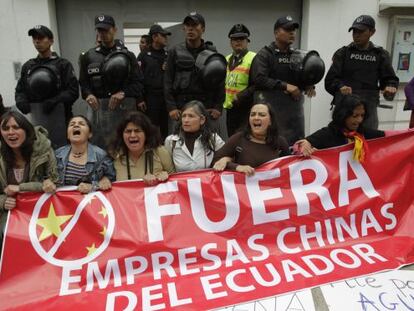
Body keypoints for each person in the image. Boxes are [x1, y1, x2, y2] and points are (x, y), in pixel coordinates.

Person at [78, 14, 144, 148]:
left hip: (123, 111)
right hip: (98, 114)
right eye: (100, 30)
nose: (103, 34)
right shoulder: (88, 56)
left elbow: (139, 84)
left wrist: (124, 93)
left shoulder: (128, 56)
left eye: (106, 30)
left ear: (114, 30)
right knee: (99, 148)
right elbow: (83, 83)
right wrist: (88, 94)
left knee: (124, 148)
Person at [250, 16, 317, 145]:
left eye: (293, 30)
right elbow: (259, 79)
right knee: (271, 146)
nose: (292, 33)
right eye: (287, 29)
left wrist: (309, 84)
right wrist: (286, 86)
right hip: (271, 113)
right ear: (276, 33)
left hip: (293, 116)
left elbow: (301, 78)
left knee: (294, 148)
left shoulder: (297, 55)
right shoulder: (265, 54)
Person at [325, 14, 399, 129]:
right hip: (345, 110)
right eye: (354, 31)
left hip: (368, 111)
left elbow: (389, 79)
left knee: (369, 142)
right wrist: (340, 87)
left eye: (361, 31)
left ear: (372, 32)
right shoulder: (343, 53)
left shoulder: (380, 54)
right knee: (341, 141)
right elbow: (329, 81)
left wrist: (390, 87)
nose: (356, 35)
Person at [0, 111, 58, 251]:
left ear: (26, 130)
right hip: (8, 219)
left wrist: (21, 188)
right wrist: (2, 201)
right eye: (5, 128)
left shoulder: (44, 149)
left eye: (16, 127)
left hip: (40, 215)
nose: (11, 132)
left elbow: (56, 182)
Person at [15, 25, 79, 148]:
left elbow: (73, 91)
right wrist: (21, 101)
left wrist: (55, 101)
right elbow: (20, 90)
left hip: (61, 120)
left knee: (62, 156)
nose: (37, 41)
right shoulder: (28, 66)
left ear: (51, 41)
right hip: (35, 120)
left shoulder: (63, 65)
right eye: (34, 38)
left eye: (40, 38)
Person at [164, 12, 226, 134]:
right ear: (184, 28)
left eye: (195, 25)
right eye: (187, 25)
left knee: (208, 145)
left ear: (203, 29)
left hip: (206, 107)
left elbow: (220, 81)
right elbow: (167, 81)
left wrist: (218, 106)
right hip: (181, 108)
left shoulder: (211, 52)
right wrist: (171, 107)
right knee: (179, 146)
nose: (190, 28)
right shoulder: (174, 52)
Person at [295, 95, 385, 159]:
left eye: (362, 115)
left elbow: (389, 137)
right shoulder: (328, 134)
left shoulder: (363, 132)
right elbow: (299, 146)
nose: (359, 120)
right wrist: (304, 145)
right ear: (343, 115)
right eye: (355, 116)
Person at [213, 102, 289, 176]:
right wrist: (236, 166)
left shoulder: (280, 142)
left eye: (262, 115)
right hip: (243, 187)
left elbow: (292, 166)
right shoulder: (238, 138)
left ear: (270, 121)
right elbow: (215, 161)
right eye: (252, 115)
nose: (256, 118)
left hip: (272, 188)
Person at [109, 112, 175, 184]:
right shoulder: (114, 155)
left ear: (146, 134)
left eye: (137, 131)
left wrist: (165, 177)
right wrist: (104, 180)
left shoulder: (159, 151)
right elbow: (107, 178)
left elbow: (175, 180)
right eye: (128, 131)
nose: (133, 135)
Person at [55, 115, 115, 193]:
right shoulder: (57, 154)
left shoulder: (101, 156)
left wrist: (95, 185)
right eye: (72, 124)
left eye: (81, 124)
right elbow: (48, 178)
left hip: (90, 203)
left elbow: (112, 180)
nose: (76, 125)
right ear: (68, 135)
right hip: (63, 203)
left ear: (90, 134)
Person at [165, 100, 224, 172]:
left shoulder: (213, 139)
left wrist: (225, 160)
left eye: (191, 116)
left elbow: (227, 157)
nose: (186, 120)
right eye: (183, 116)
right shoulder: (171, 141)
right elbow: (167, 170)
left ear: (202, 119)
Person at [137, 25, 171, 139]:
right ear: (155, 37)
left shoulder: (168, 55)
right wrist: (140, 98)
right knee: (150, 128)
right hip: (149, 98)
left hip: (165, 98)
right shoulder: (143, 55)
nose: (166, 38)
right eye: (164, 36)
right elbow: (138, 78)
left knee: (165, 128)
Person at [223, 24, 256, 137]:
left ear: (247, 41)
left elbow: (257, 84)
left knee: (245, 140)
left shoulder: (254, 58)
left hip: (247, 108)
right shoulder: (226, 59)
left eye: (241, 39)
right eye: (235, 39)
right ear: (230, 42)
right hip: (231, 109)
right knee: (232, 139)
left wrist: (241, 96)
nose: (238, 42)